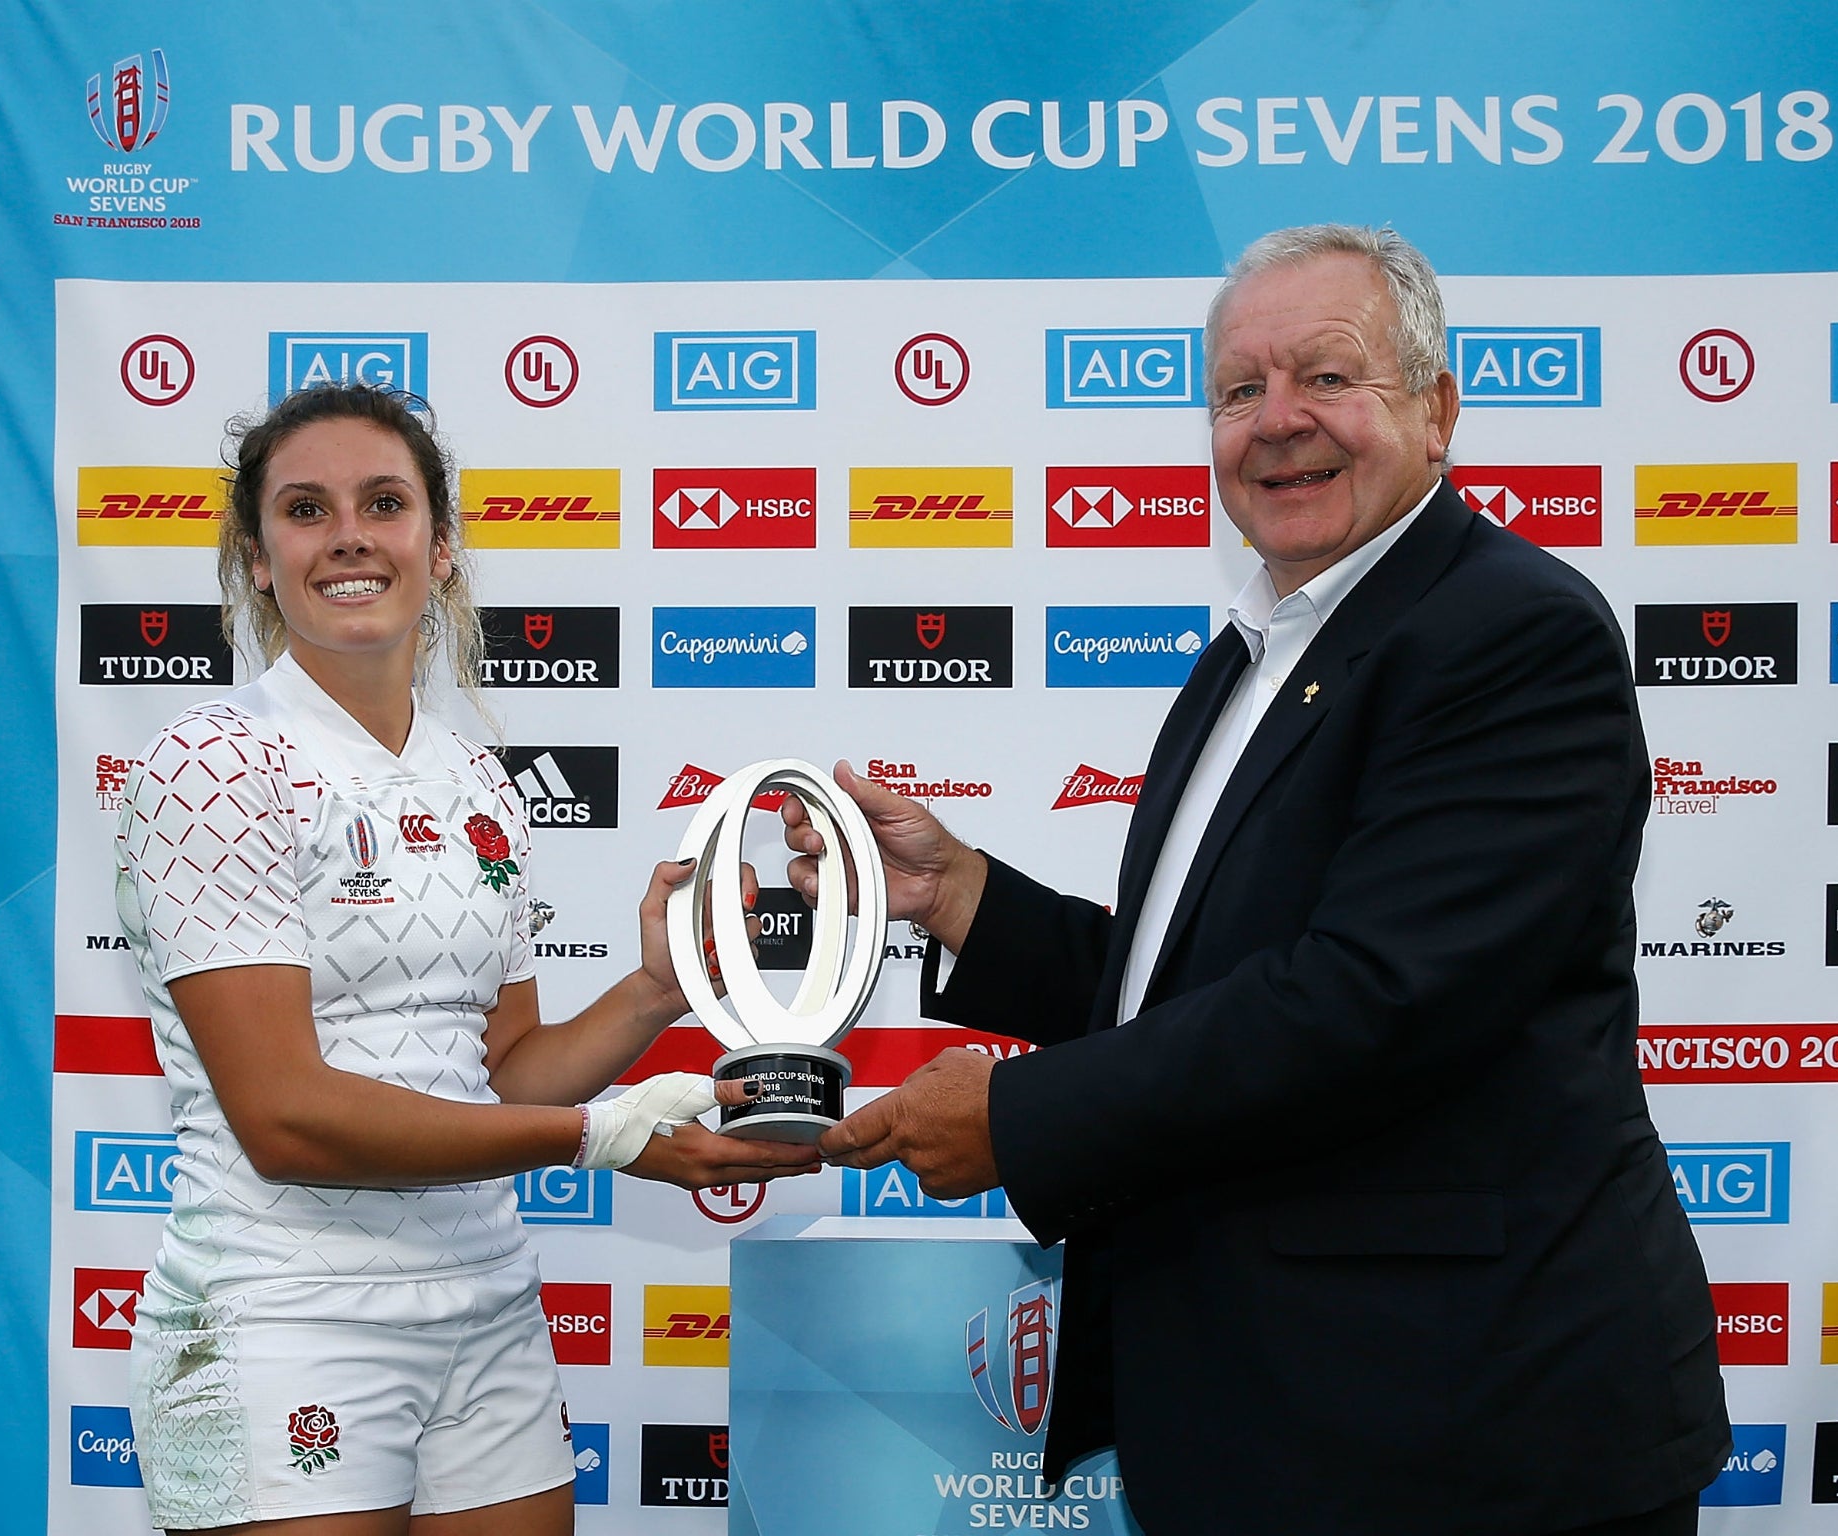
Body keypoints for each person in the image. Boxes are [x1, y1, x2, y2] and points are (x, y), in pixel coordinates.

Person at [787, 225, 1729, 1536]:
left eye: (1328, 376)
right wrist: (960, 896)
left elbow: (1370, 1000)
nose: (1277, 422)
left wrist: (1021, 1113)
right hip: (1276, 1416)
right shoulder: (1251, 657)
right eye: (1238, 390)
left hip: (1472, 1433)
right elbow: (1198, 987)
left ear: (1437, 410)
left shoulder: (1511, 631)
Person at [115, 383, 815, 1536]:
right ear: (255, 559)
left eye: (382, 503)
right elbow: (284, 1116)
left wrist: (654, 989)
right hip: (279, 1310)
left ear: (437, 547)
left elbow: (502, 1076)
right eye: (305, 509)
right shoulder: (210, 764)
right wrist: (602, 1137)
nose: (347, 534)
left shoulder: (476, 777)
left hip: (486, 1303)